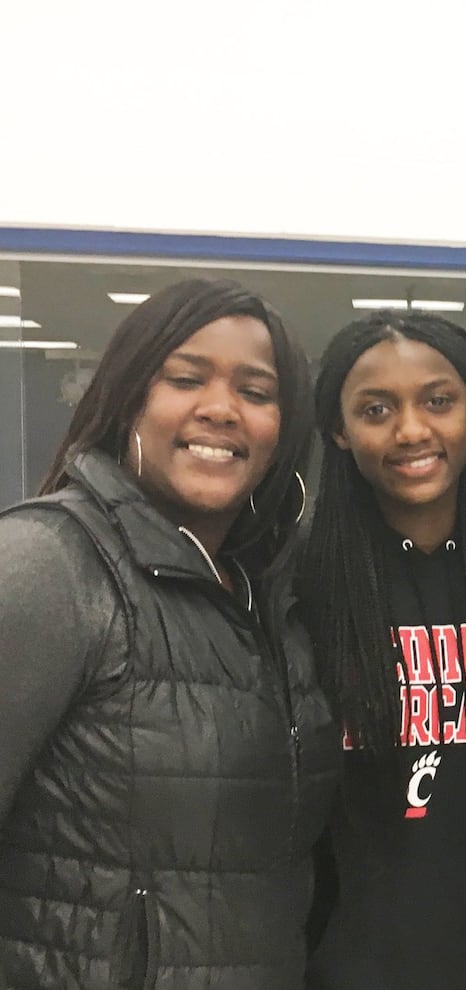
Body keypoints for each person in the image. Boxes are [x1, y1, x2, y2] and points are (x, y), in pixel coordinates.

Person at [0, 278, 340, 988]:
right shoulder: (50, 564)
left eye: (256, 391)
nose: (221, 410)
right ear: (129, 398)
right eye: (185, 379)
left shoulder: (262, 594)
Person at [299, 312, 466, 990]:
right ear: (341, 432)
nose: (411, 430)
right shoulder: (296, 586)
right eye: (376, 409)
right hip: (345, 968)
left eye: (438, 401)